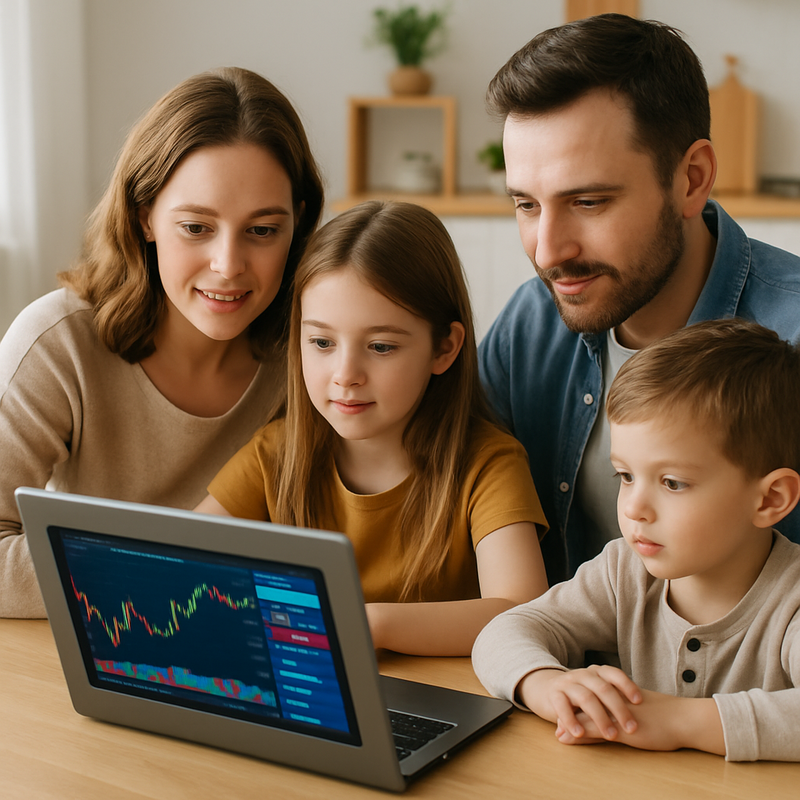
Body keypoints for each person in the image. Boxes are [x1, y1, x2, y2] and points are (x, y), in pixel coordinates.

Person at [478, 13, 800, 585]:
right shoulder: (529, 327)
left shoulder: (791, 337)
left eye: (588, 202)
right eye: (526, 205)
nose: (548, 251)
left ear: (692, 178)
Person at [0, 67, 324, 618]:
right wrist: (167, 571)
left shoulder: (316, 352)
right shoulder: (58, 344)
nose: (228, 266)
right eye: (196, 228)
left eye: (262, 230)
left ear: (297, 223)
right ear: (144, 216)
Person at [196, 200, 549, 656]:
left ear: (444, 348)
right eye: (322, 342)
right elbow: (179, 563)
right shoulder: (276, 453)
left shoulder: (488, 464)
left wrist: (369, 624)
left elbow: (521, 611)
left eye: (381, 347)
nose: (346, 375)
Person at [473, 319, 800, 762]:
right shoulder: (623, 571)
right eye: (625, 476)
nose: (633, 508)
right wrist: (545, 683)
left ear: (771, 499)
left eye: (672, 482)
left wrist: (678, 720)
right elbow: (504, 632)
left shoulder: (791, 601)